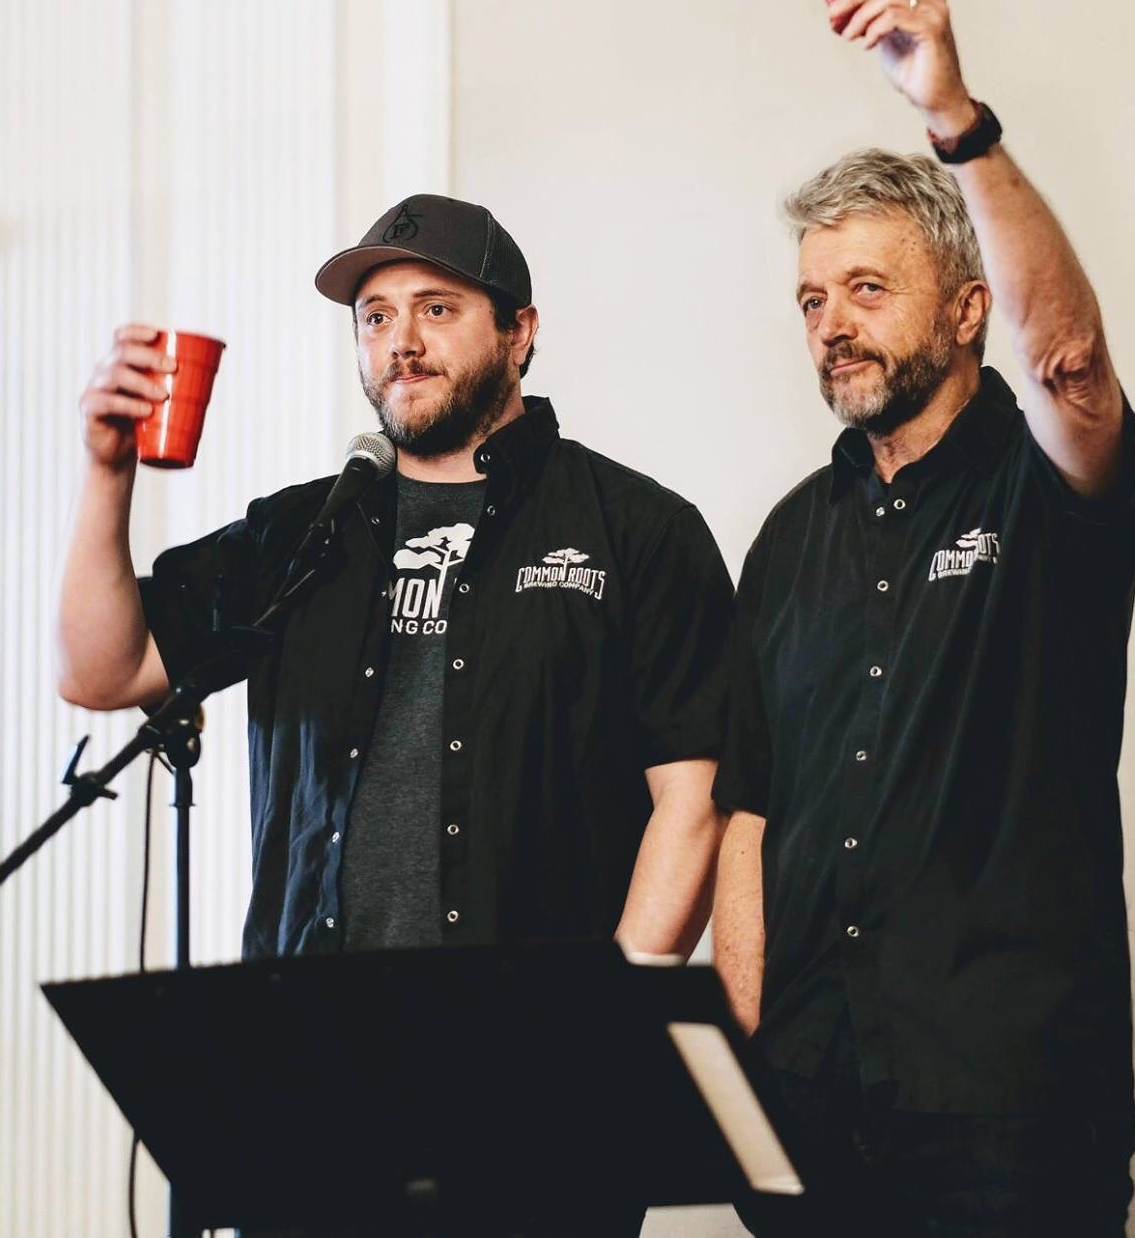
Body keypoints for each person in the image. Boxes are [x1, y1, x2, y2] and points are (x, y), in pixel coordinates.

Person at [56, 194, 732, 1233]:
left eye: (436, 308)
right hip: (310, 1068)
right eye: (374, 315)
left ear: (521, 330)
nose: (399, 341)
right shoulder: (303, 535)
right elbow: (103, 670)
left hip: (532, 1068)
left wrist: (602, 1028)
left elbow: (693, 801)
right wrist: (106, 475)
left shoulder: (635, 529)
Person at [712, 0, 1135, 1237]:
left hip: (1007, 1113)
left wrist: (954, 119)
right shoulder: (789, 536)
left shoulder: (1043, 486)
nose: (830, 322)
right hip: (805, 1093)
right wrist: (745, 1058)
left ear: (966, 312)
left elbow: (1070, 358)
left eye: (865, 288)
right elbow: (747, 809)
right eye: (810, 297)